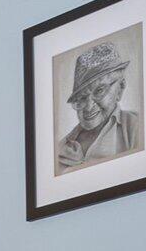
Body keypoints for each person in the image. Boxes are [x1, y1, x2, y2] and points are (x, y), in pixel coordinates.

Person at [55, 38, 141, 170]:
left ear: (120, 87)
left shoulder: (136, 128)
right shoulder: (61, 147)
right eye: (82, 97)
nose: (89, 107)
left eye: (99, 90)